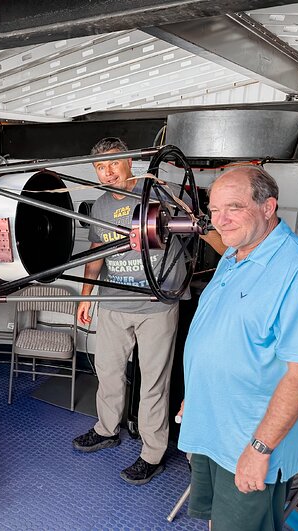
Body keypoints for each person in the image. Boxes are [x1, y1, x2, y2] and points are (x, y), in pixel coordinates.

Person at [178, 166, 298, 530]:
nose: (220, 220)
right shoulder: (235, 254)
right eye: (214, 210)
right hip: (214, 428)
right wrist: (197, 396)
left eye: (233, 207)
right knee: (216, 522)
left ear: (268, 207)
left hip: (249, 442)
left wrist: (259, 450)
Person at [71, 137, 224, 485]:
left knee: (154, 383)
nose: (107, 172)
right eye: (100, 167)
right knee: (108, 372)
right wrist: (86, 296)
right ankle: (107, 429)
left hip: (157, 305)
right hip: (114, 303)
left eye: (113, 163)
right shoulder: (100, 206)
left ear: (129, 163)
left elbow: (201, 227)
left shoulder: (162, 191)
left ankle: (152, 453)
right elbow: (96, 253)